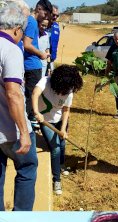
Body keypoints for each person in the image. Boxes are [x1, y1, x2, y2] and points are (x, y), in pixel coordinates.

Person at [0, 3, 39, 211]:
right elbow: (13, 93)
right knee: (27, 168)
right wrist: (24, 132)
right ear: (16, 29)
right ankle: (22, 214)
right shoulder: (11, 50)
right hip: (11, 131)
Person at [31, 64, 83, 195]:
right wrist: (37, 112)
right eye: (62, 90)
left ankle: (61, 165)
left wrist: (64, 129)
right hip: (46, 121)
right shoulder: (46, 81)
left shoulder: (69, 91)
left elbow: (66, 110)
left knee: (63, 143)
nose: (63, 93)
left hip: (60, 120)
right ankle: (57, 180)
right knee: (56, 148)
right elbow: (35, 93)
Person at [23, 0, 52, 123]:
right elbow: (27, 44)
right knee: (31, 97)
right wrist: (41, 54)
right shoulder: (32, 22)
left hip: (31, 65)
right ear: (39, 8)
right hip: (32, 66)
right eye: (45, 14)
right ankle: (29, 124)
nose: (45, 17)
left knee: (29, 96)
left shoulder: (31, 21)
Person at [47, 4, 60, 68]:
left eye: (57, 15)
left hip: (52, 59)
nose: (55, 17)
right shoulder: (42, 25)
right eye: (53, 14)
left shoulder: (56, 26)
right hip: (42, 58)